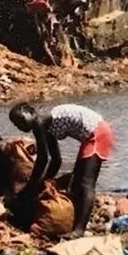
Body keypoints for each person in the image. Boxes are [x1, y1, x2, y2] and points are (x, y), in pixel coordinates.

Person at [9, 101, 112, 238]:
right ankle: (76, 224)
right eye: (16, 125)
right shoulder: (48, 126)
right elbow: (56, 160)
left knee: (86, 183)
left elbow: (42, 159)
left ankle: (79, 230)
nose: (20, 126)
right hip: (91, 136)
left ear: (30, 112)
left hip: (97, 133)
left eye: (21, 120)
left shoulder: (39, 122)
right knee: (76, 183)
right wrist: (45, 181)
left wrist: (31, 185)